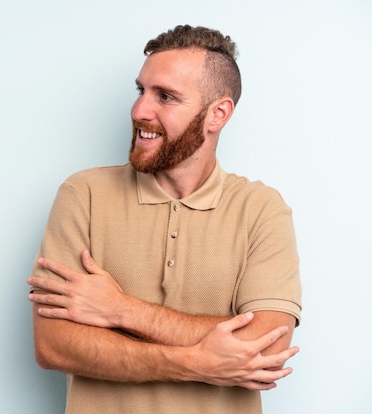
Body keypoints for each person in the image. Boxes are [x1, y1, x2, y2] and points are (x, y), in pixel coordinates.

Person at [27, 25, 302, 414]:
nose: (139, 110)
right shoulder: (84, 194)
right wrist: (193, 363)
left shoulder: (261, 208)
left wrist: (120, 309)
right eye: (141, 90)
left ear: (217, 114)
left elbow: (268, 345)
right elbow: (52, 344)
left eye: (166, 97)